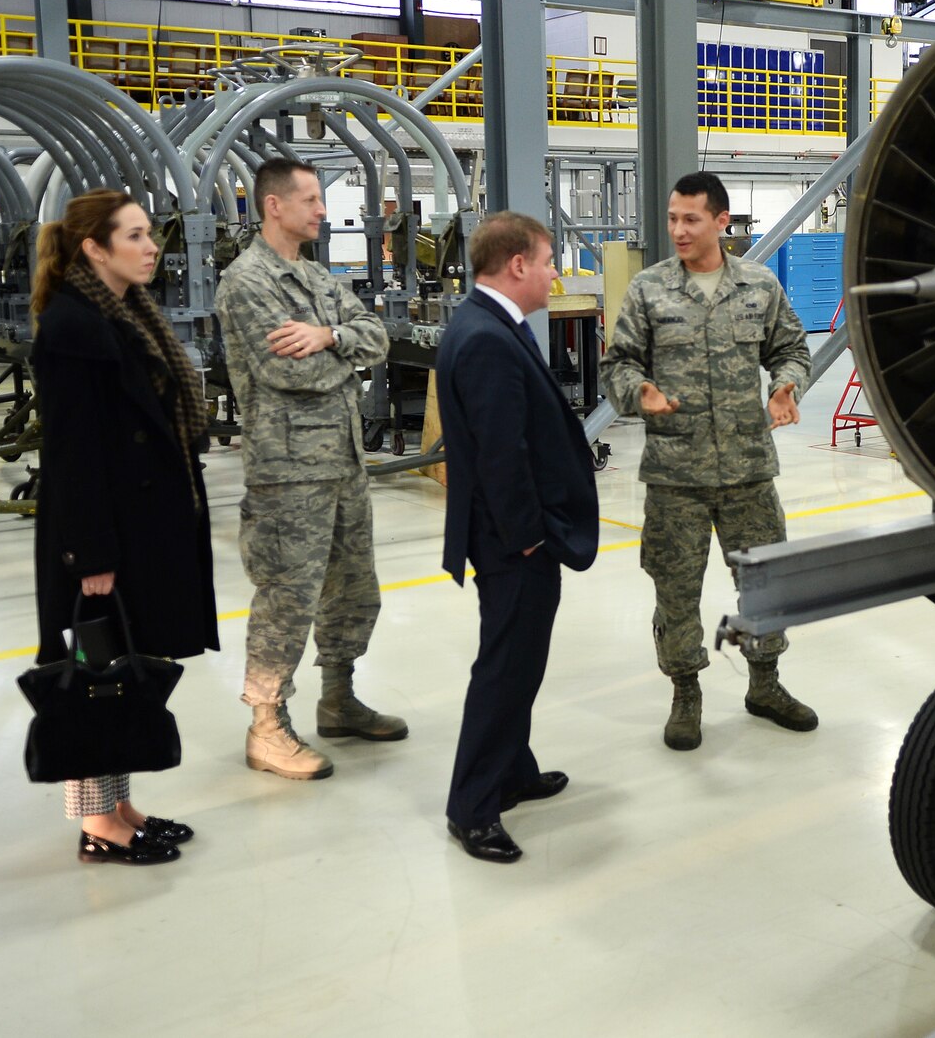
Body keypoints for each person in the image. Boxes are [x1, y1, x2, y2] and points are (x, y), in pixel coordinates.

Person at [31, 188, 218, 866]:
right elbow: (71, 451)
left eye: (149, 234)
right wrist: (91, 553)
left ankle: (119, 804)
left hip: (137, 529)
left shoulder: (126, 312)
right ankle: (95, 822)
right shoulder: (73, 325)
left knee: (123, 669)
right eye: (135, 235)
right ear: (93, 247)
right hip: (102, 536)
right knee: (96, 673)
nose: (151, 247)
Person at [601, 171, 816, 751]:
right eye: (672, 218)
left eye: (690, 219)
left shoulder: (759, 286)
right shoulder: (649, 290)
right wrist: (637, 392)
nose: (678, 230)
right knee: (675, 590)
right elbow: (617, 363)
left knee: (765, 582)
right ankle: (686, 694)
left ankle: (765, 684)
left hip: (747, 467)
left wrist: (787, 386)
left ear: (722, 222)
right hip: (676, 475)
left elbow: (792, 349)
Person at [215, 159, 400, 780]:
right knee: (288, 597)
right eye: (313, 199)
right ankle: (266, 725)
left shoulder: (317, 277)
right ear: (274, 206)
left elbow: (378, 335)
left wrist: (329, 338)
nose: (323, 210)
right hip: (288, 469)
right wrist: (342, 347)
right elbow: (285, 372)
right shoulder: (247, 282)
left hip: (343, 461)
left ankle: (338, 698)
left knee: (353, 586)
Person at [437, 212, 599, 862]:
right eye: (550, 258)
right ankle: (472, 805)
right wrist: (530, 537)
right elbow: (502, 453)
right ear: (517, 266)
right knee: (504, 667)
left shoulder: (493, 325)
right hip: (512, 542)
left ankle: (513, 768)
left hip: (512, 536)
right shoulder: (485, 338)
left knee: (521, 659)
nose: (556, 270)